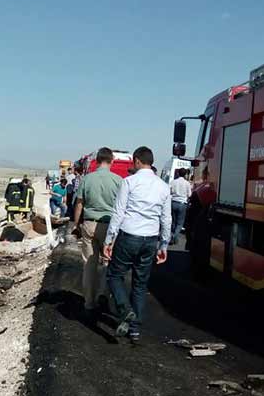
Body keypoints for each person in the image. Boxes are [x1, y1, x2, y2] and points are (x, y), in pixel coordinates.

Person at [103, 146, 171, 343]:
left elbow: (118, 213)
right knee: (140, 284)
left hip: (129, 236)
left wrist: (109, 240)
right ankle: (135, 330)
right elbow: (166, 219)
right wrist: (163, 245)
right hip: (150, 239)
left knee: (115, 275)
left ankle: (124, 309)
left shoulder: (129, 182)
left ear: (137, 161)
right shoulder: (163, 187)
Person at [73, 147, 122, 319]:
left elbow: (79, 204)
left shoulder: (87, 179)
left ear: (97, 160)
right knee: (108, 262)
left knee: (89, 264)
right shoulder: (118, 180)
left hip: (89, 225)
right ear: (112, 160)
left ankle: (89, 302)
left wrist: (76, 224)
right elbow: (122, 208)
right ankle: (103, 294)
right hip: (109, 227)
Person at [169, 168, 192, 245]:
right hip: (182, 204)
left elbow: (170, 192)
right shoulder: (187, 183)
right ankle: (174, 236)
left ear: (178, 173)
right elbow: (189, 195)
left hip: (173, 202)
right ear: (185, 174)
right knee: (180, 223)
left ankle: (173, 236)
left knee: (173, 221)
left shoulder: (173, 182)